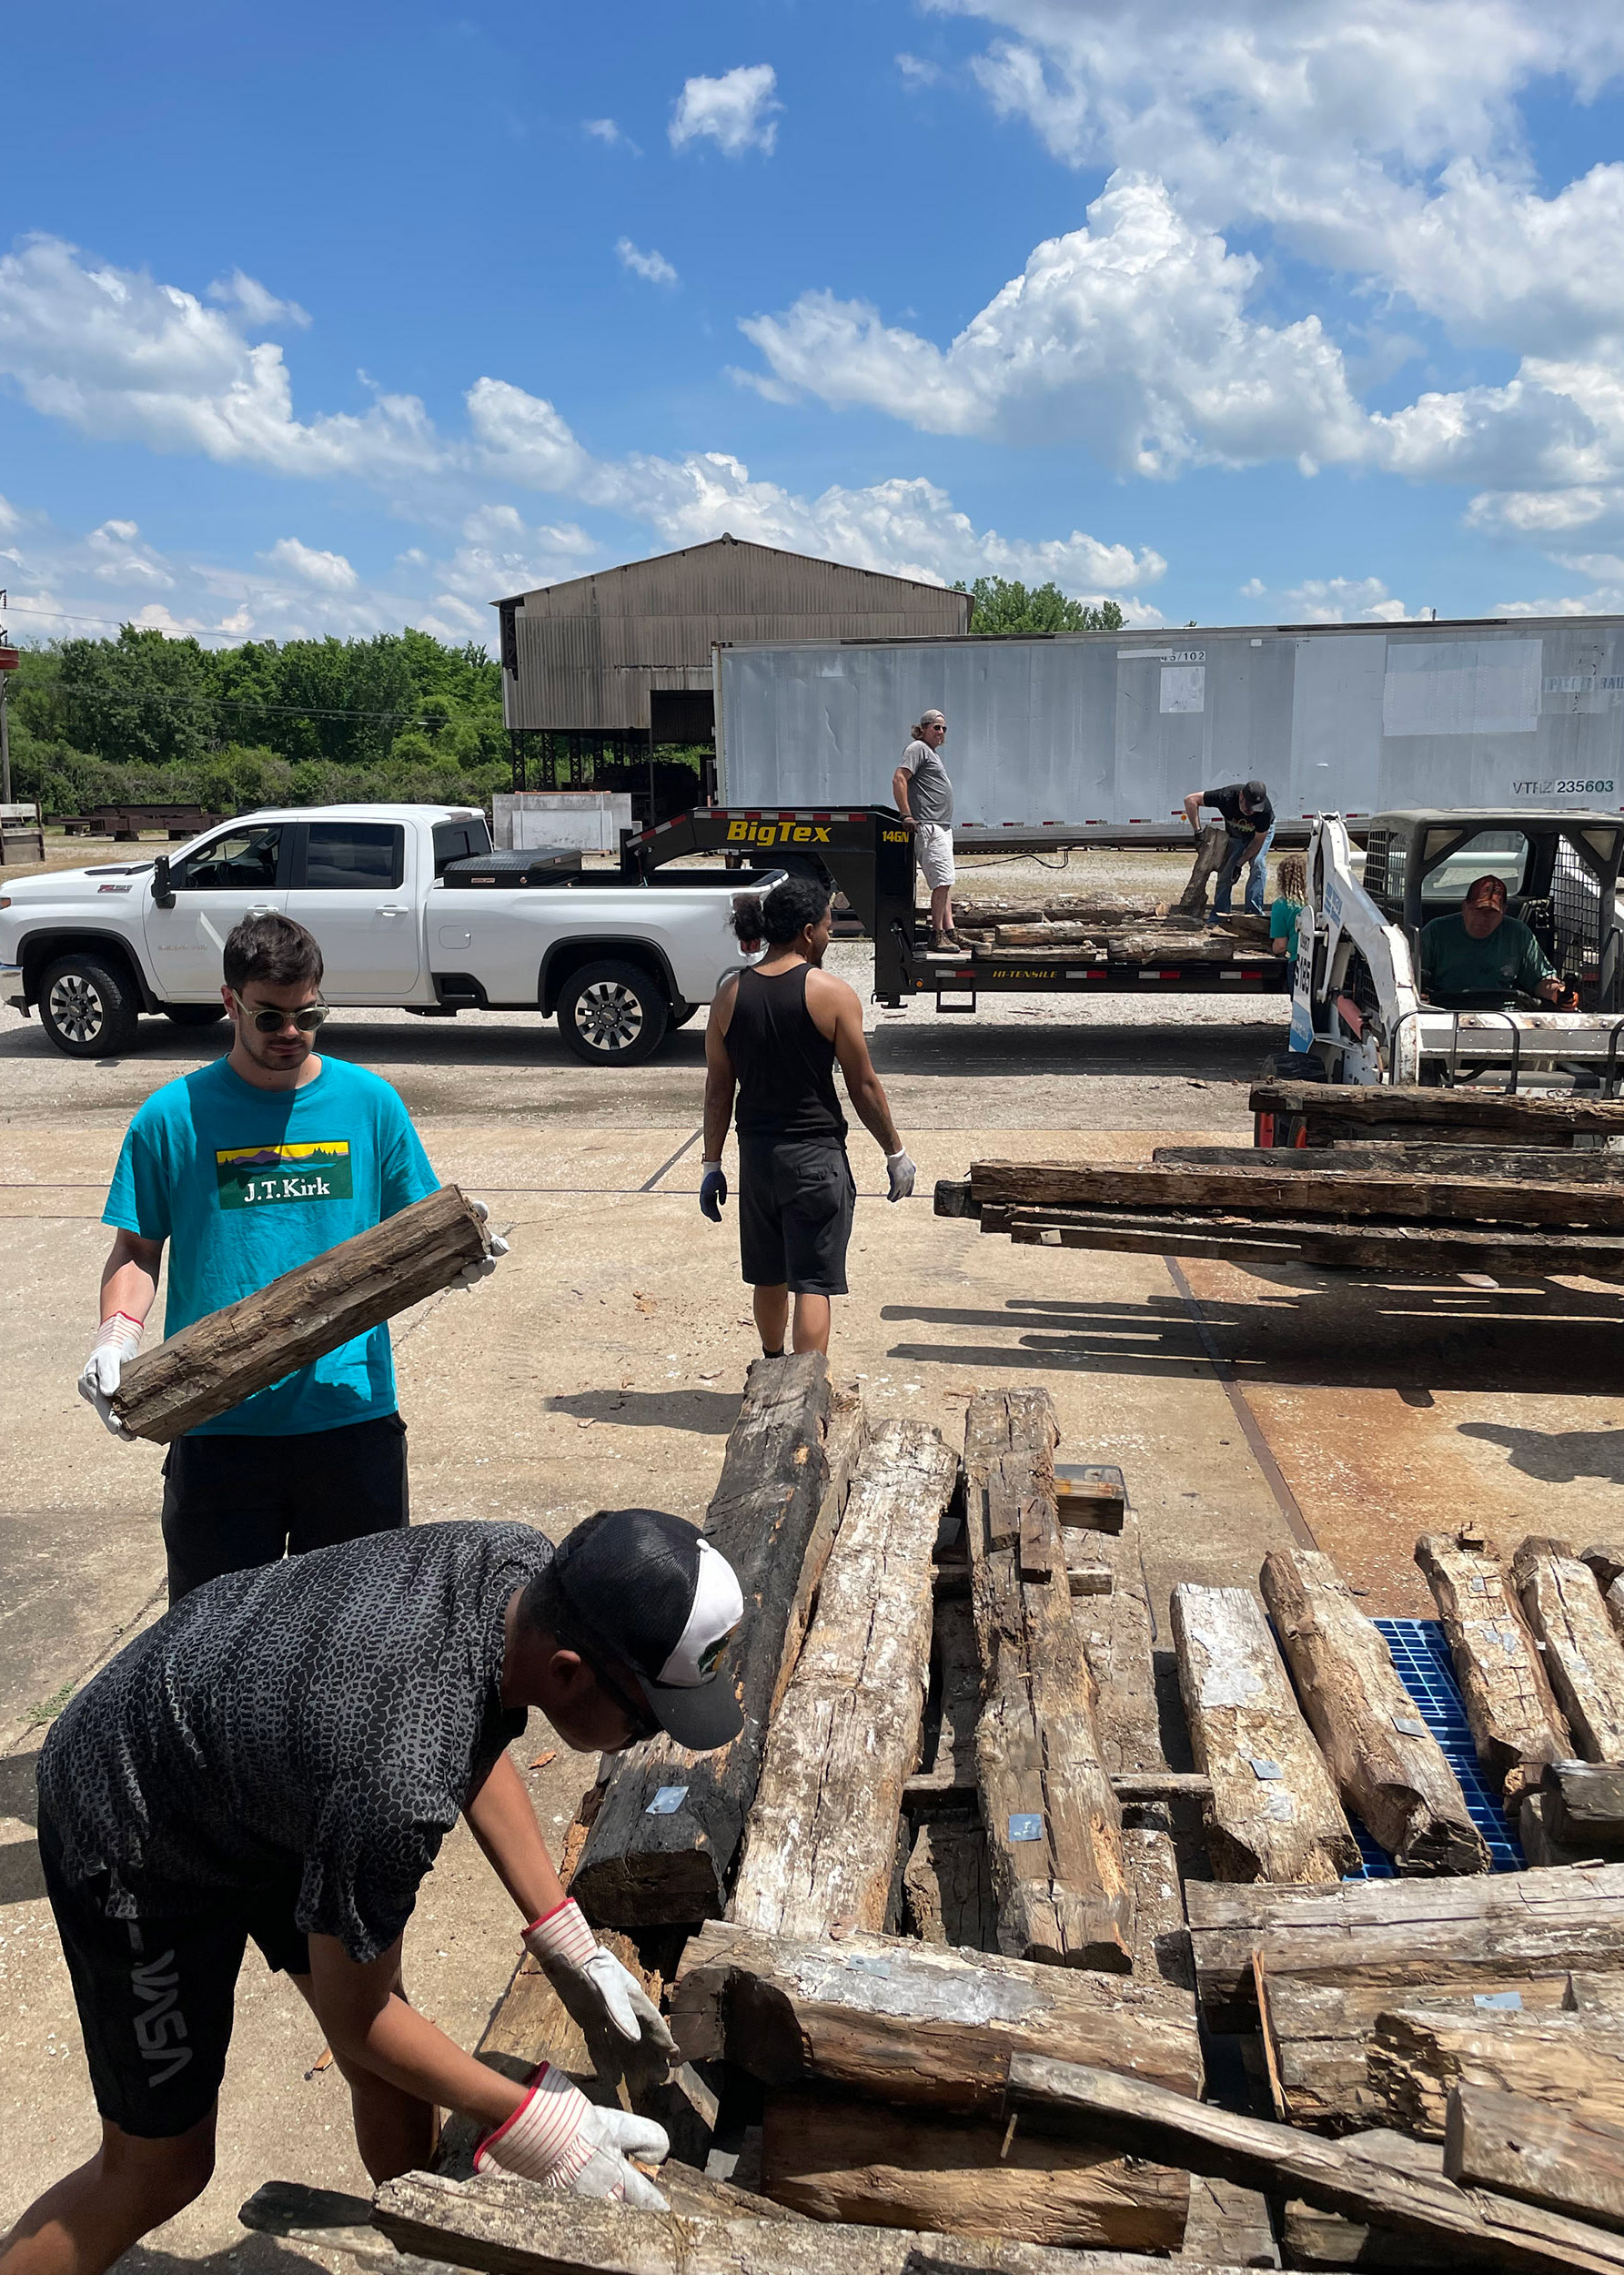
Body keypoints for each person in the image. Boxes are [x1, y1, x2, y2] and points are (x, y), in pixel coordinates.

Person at [0, 1511, 747, 2275]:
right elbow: (360, 2022)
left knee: (394, 2057)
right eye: (643, 1721)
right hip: (134, 1822)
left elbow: (467, 1736)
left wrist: (565, 1935)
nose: (640, 1741)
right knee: (159, 2168)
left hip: (269, 1764)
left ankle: (420, 2241)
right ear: (564, 1671)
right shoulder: (395, 1782)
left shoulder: (519, 1567)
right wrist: (532, 2122)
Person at [76, 911, 505, 1603]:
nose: (290, 1035)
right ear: (229, 1004)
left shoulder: (368, 1105)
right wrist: (114, 1338)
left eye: (308, 1016)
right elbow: (135, 1248)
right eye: (269, 1017)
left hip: (349, 1417)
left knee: (356, 1639)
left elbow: (417, 1225)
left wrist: (457, 1257)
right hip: (217, 1417)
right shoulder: (171, 1116)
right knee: (210, 1645)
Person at [699, 875, 915, 1360]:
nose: (830, 935)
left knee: (768, 1273)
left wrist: (712, 1165)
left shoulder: (728, 996)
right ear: (806, 931)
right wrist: (894, 1152)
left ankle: (772, 1365)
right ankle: (804, 1384)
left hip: (757, 1159)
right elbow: (863, 1085)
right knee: (812, 1283)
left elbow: (718, 1090)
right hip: (815, 1158)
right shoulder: (832, 994)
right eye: (827, 926)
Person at [1418, 874, 1574, 1010]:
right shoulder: (1436, 931)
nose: (1484, 919)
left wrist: (1558, 993)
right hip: (1446, 1011)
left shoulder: (1518, 933)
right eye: (1479, 910)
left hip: (1505, 1014)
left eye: (1492, 912)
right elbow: (1414, 978)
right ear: (1465, 907)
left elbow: (1540, 979)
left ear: (1503, 911)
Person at [892, 708, 960, 950]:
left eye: (944, 728)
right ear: (923, 729)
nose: (941, 732)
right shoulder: (917, 749)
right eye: (936, 727)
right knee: (941, 880)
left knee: (946, 880)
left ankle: (949, 931)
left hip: (940, 825)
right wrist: (906, 814)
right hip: (930, 825)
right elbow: (899, 778)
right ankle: (936, 935)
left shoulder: (930, 752)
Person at [1182, 778, 1276, 919]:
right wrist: (1198, 832)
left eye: (1255, 808)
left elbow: (1257, 843)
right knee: (1226, 870)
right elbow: (1190, 800)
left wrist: (1239, 864)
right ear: (1241, 796)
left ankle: (1254, 913)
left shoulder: (1264, 812)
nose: (1251, 811)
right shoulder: (1225, 796)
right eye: (1248, 807)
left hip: (1258, 835)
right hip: (1236, 835)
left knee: (1257, 863)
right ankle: (1220, 914)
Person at [1269, 854, 1307, 963]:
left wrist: (1273, 949)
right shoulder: (1316, 901)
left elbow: (1280, 946)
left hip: (1298, 961)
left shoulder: (1281, 905)